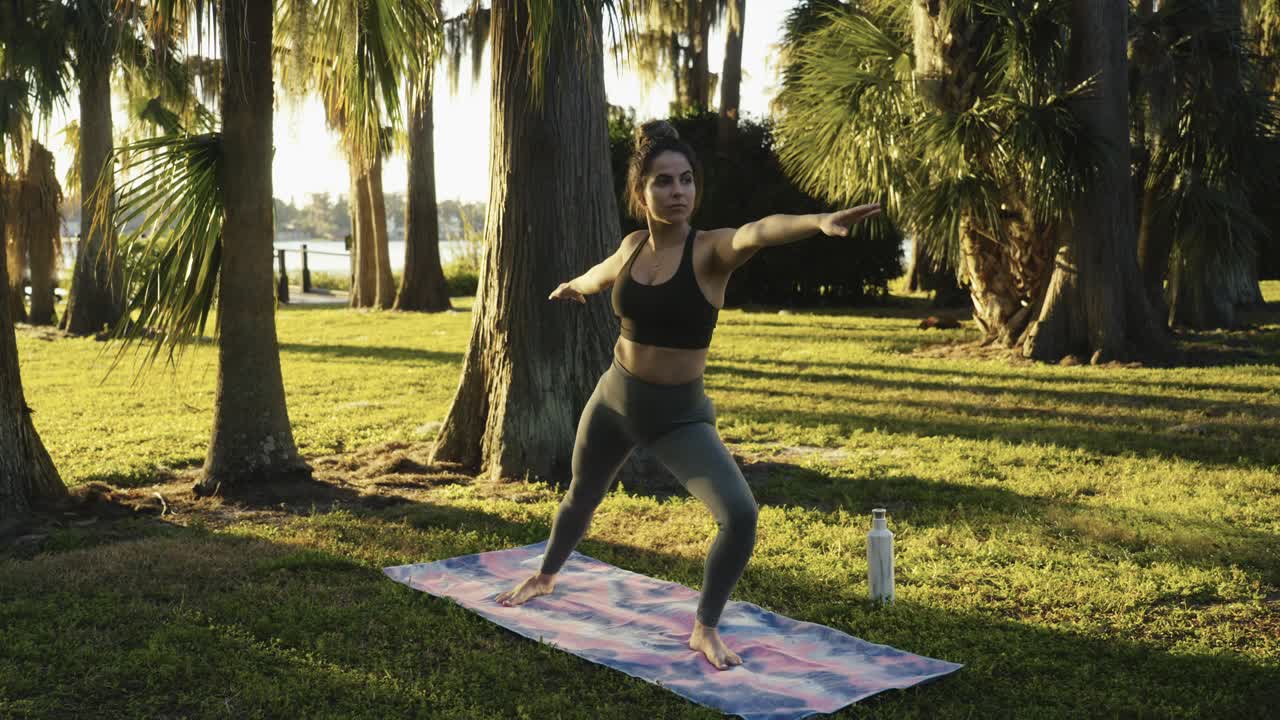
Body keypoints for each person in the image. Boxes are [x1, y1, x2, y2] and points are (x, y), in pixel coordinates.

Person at [495, 120, 881, 670]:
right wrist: (574, 287)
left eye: (686, 181)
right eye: (663, 182)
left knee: (740, 515)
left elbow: (759, 230)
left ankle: (705, 627)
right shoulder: (632, 246)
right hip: (613, 399)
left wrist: (818, 221)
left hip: (678, 418)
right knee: (582, 493)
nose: (678, 192)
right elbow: (599, 276)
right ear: (641, 191)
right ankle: (546, 576)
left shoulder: (711, 252)